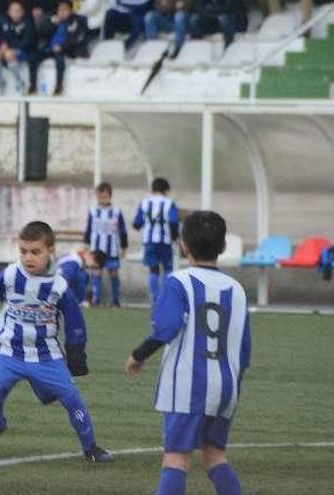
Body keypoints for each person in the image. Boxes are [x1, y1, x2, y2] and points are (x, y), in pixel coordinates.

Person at [125, 210, 251, 495]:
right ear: (222, 246)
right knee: (214, 456)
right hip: (226, 387)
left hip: (187, 386)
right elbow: (243, 351)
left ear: (183, 245)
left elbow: (166, 327)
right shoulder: (238, 290)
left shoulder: (177, 281)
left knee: (176, 458)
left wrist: (138, 354)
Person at [0, 221, 114, 463]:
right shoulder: (11, 274)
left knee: (71, 398)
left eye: (35, 252)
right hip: (8, 351)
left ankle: (91, 448)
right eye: (23, 251)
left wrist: (76, 352)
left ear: (50, 251)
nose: (28, 258)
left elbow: (75, 320)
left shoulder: (59, 284)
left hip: (46, 354)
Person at [132, 177, 179, 305]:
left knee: (153, 270)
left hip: (149, 241)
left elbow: (137, 223)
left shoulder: (145, 203)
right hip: (165, 241)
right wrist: (175, 236)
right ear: (166, 190)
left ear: (152, 189)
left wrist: (141, 224)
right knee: (168, 269)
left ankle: (155, 299)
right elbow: (174, 221)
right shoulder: (169, 203)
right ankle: (166, 298)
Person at [83, 182, 128, 306]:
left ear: (110, 196)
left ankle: (115, 300)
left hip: (112, 248)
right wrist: (86, 245)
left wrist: (124, 246)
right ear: (97, 196)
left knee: (113, 272)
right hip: (96, 248)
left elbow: (122, 230)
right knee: (96, 272)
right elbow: (88, 229)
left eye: (105, 197)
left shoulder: (116, 211)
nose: (102, 200)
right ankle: (96, 299)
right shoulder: (93, 211)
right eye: (100, 197)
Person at [40, 0, 89, 95]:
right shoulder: (53, 20)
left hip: (68, 50)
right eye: (60, 10)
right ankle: (35, 86)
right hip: (51, 48)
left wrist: (61, 46)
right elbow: (42, 33)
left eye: (65, 10)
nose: (62, 12)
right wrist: (52, 24)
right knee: (34, 57)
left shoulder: (78, 20)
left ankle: (59, 86)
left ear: (71, 10)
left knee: (59, 58)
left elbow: (77, 38)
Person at [0, 0, 37, 94]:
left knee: (10, 57)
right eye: (13, 11)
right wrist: (2, 46)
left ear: (22, 12)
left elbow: (29, 42)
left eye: (18, 10)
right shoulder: (4, 23)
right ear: (9, 12)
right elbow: (0, 37)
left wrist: (13, 50)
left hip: (24, 51)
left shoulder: (28, 23)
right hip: (7, 50)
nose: (15, 13)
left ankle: (20, 84)